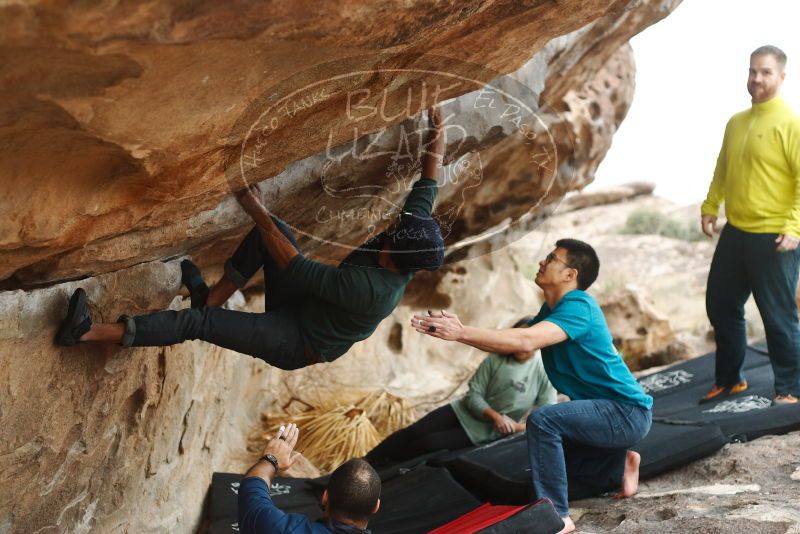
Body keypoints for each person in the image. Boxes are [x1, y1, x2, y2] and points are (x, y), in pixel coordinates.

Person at [54, 107, 447, 370]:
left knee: (201, 322)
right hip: (308, 304)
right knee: (272, 236)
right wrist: (439, 125)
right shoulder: (413, 238)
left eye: (394, 233)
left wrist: (254, 207)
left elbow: (297, 268)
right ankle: (211, 299)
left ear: (397, 253)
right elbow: (429, 178)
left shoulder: (372, 290)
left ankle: (87, 332)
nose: (392, 227)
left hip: (298, 341)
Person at [411, 239, 653, 534]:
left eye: (552, 258)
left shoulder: (579, 306)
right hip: (609, 417)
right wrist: (460, 331)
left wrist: (461, 333)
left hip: (626, 413)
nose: (542, 261)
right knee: (554, 461)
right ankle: (620, 463)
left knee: (543, 420)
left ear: (569, 275)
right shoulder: (552, 310)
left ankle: (557, 517)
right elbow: (516, 338)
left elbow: (526, 341)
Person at [700, 45, 800, 406]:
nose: (757, 78)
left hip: (774, 235)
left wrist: (794, 227)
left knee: (778, 315)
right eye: (753, 71)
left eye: (766, 72)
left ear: (781, 77)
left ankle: (791, 389)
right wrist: (711, 206)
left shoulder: (791, 123)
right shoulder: (736, 122)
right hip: (737, 231)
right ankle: (730, 380)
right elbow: (723, 168)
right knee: (720, 304)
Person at [365, 317, 557, 466]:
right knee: (414, 431)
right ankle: (365, 461)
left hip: (484, 431)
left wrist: (514, 428)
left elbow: (546, 417)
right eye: (517, 336)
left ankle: (384, 470)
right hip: (462, 410)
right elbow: (473, 394)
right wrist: (496, 416)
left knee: (428, 443)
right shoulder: (496, 359)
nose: (521, 345)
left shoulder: (543, 372)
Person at [238, 422, 381, 533]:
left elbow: (252, 494)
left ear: (325, 496)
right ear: (376, 507)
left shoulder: (283, 529)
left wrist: (271, 459)